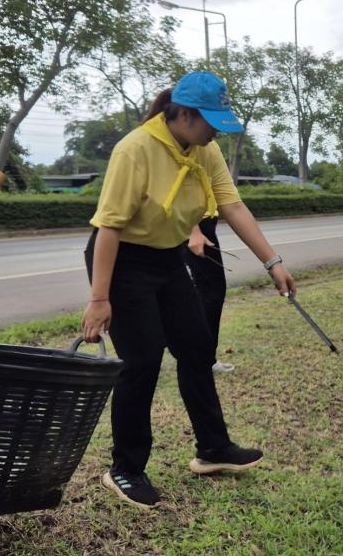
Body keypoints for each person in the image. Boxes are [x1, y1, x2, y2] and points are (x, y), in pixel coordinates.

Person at [81, 72, 295, 510]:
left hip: (167, 257)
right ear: (181, 113)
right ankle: (125, 467)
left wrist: (273, 262)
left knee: (197, 347)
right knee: (141, 361)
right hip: (122, 259)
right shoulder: (135, 149)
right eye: (209, 121)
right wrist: (99, 299)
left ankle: (213, 449)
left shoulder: (204, 148)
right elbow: (109, 227)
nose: (215, 129)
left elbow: (232, 205)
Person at [184, 215, 235, 373]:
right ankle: (204, 359)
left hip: (197, 221)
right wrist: (193, 228)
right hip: (194, 222)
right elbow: (181, 190)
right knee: (211, 290)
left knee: (204, 288)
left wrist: (272, 261)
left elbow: (234, 206)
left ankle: (202, 358)